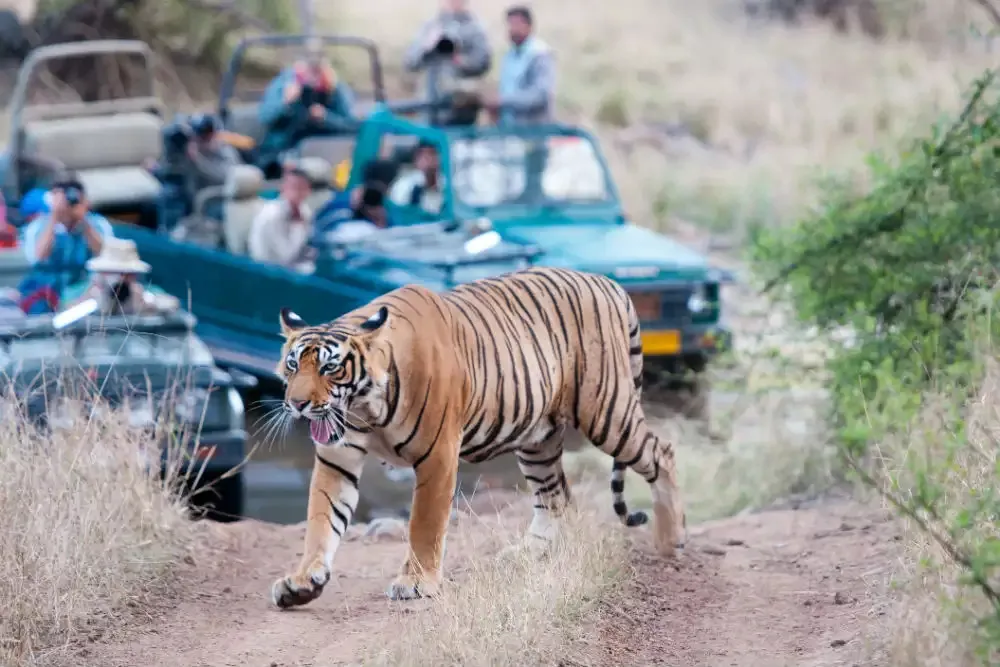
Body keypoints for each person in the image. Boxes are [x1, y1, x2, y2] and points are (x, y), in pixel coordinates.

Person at [257, 42, 359, 178]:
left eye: (317, 68)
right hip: (283, 151)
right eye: (309, 66)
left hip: (325, 154)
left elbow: (352, 126)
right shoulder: (284, 84)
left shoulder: (334, 88)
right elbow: (265, 118)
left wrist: (326, 117)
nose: (312, 78)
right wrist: (285, 103)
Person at [18, 177, 114, 314]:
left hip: (82, 287)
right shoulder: (38, 225)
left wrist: (83, 221)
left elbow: (106, 255)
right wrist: (54, 217)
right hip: (47, 289)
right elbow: (38, 257)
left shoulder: (98, 224)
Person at [403, 0, 492, 126]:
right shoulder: (430, 27)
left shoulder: (475, 28)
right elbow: (410, 63)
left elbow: (483, 63)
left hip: (461, 106)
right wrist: (427, 46)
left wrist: (459, 59)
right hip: (429, 103)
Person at [60, 237, 180, 316]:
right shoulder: (78, 292)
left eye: (126, 273)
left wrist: (148, 302)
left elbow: (173, 304)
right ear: (101, 273)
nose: (120, 279)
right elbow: (62, 315)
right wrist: (88, 301)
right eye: (113, 272)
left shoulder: (145, 292)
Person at [483, 6, 555, 125]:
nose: (512, 29)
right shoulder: (509, 56)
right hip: (510, 129)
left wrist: (504, 101)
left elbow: (540, 96)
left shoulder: (539, 54)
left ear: (529, 26)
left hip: (533, 130)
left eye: (517, 24)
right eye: (510, 24)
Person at [248, 165, 317, 273]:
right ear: (283, 188)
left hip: (291, 267)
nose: (298, 193)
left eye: (302, 188)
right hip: (267, 271)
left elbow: (306, 245)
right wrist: (298, 225)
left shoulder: (304, 210)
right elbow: (285, 256)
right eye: (294, 187)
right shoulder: (270, 215)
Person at [184, 113, 241, 220]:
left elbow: (230, 176)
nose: (204, 140)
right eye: (200, 136)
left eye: (208, 135)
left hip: (219, 198)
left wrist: (199, 161)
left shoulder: (224, 148)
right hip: (193, 201)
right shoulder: (188, 150)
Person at [388, 141, 444, 217]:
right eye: (422, 155)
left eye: (432, 153)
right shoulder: (404, 185)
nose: (427, 159)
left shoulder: (447, 185)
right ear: (416, 159)